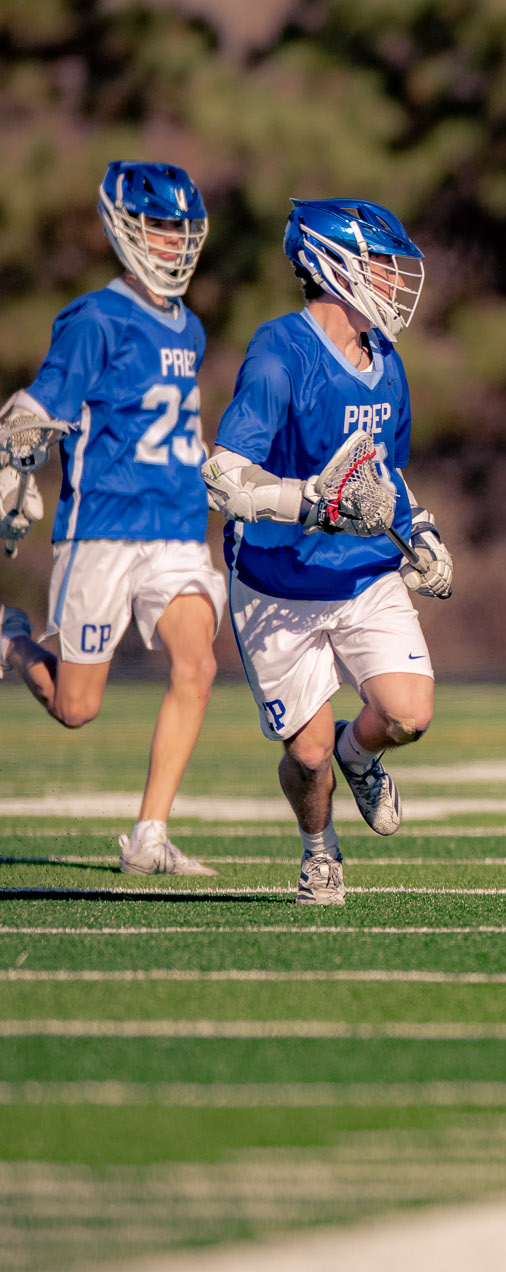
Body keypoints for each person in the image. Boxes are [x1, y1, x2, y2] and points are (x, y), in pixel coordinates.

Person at [200, 198, 454, 907]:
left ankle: (359, 753)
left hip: (358, 574)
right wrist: (306, 501)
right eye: (380, 264)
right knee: (305, 756)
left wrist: (420, 531)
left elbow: (384, 475)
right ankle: (318, 847)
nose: (395, 281)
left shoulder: (387, 363)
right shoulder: (281, 352)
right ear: (334, 266)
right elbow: (224, 474)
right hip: (277, 577)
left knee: (409, 712)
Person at [0, 161, 224, 876]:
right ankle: (10, 636)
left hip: (176, 527)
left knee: (198, 662)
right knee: (76, 707)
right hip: (100, 526)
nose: (172, 242)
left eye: (181, 229)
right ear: (124, 228)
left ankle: (149, 834)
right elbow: (40, 406)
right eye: (159, 227)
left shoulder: (189, 324)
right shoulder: (95, 318)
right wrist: (16, 461)